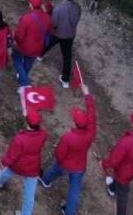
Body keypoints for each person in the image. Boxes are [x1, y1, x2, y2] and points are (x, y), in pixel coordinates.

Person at [40, 83, 96, 215]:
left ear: (75, 123)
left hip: (65, 163)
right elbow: (92, 114)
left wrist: (58, 159)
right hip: (79, 166)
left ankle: (45, 181)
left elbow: (60, 154)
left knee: (54, 170)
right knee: (74, 190)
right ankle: (69, 212)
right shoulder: (90, 133)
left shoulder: (68, 137)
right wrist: (87, 95)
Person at [0, 109, 48, 215]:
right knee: (30, 195)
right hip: (33, 167)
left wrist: (3, 163)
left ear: (27, 122)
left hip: (18, 165)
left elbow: (11, 155)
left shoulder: (20, 139)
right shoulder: (43, 135)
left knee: (7, 173)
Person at [12, 0, 51, 87]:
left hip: (24, 47)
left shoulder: (26, 18)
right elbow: (49, 32)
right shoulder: (48, 18)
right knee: (28, 63)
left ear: (31, 5)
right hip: (38, 48)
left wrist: (16, 40)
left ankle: (24, 82)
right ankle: (22, 77)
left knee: (16, 58)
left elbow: (19, 35)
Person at [49, 0, 82, 87]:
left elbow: (54, 23)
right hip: (70, 35)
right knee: (67, 57)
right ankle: (65, 80)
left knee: (47, 44)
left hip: (58, 33)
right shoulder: (77, 7)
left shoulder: (58, 8)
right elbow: (76, 20)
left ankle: (38, 56)